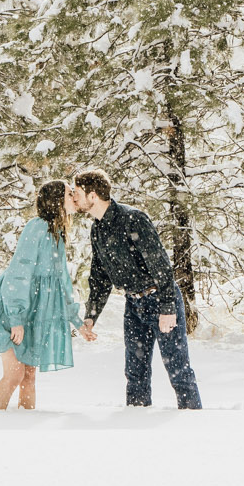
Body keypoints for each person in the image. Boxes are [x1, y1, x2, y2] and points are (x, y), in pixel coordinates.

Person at [72, 167, 202, 410]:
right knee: (135, 373)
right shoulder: (97, 229)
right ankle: (136, 427)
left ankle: (193, 425)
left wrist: (167, 308)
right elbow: (99, 278)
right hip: (134, 306)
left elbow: (161, 265)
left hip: (160, 299)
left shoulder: (133, 219)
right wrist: (91, 316)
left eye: (77, 191)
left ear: (92, 196)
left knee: (178, 371)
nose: (74, 196)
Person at [0, 179, 83, 410]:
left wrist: (76, 320)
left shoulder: (56, 233)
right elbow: (19, 273)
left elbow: (61, 283)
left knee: (29, 375)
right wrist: (16, 318)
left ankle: (24, 427)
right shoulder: (37, 227)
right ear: (57, 200)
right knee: (15, 374)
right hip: (13, 309)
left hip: (33, 312)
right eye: (71, 194)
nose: (75, 197)